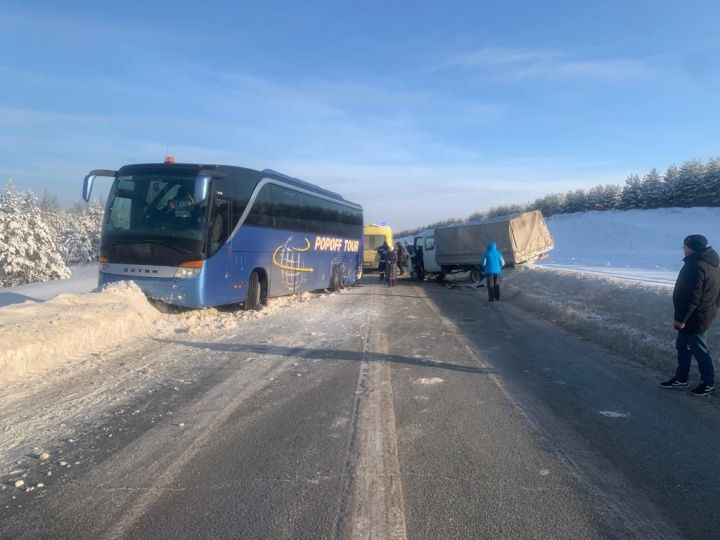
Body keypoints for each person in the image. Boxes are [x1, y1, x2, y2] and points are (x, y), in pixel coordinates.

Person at [660, 235, 720, 395]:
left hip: (695, 317)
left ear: (692, 248)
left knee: (699, 350)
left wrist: (681, 319)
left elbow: (691, 296)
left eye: (685, 246)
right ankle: (681, 379)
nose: (683, 249)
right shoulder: (712, 263)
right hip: (702, 314)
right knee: (682, 347)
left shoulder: (696, 265)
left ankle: (708, 383)